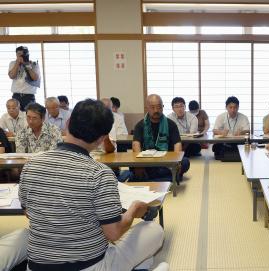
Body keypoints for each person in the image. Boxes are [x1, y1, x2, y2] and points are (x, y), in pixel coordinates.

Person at [19, 99, 166, 271]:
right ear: (102, 139)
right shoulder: (100, 173)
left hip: (37, 266)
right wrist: (134, 209)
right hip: (90, 266)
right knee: (153, 230)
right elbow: (113, 233)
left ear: (67, 124)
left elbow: (28, 212)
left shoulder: (31, 164)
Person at [132, 94, 189, 183]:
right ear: (147, 108)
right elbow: (136, 145)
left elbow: (177, 144)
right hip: (147, 161)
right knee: (133, 165)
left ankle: (152, 179)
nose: (156, 110)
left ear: (162, 107)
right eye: (152, 107)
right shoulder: (140, 125)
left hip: (167, 161)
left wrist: (177, 162)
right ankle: (170, 178)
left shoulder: (171, 124)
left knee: (185, 161)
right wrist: (139, 165)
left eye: (159, 107)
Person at [212, 96, 250, 160]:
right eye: (230, 107)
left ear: (238, 107)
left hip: (238, 142)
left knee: (247, 146)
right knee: (216, 146)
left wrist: (242, 132)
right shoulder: (220, 117)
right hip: (225, 142)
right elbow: (214, 130)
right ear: (226, 107)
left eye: (235, 107)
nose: (233, 110)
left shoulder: (244, 117)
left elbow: (248, 131)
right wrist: (221, 132)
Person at [8, 46, 41, 111]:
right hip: (16, 95)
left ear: (27, 54)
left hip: (29, 96)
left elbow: (35, 78)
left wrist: (26, 64)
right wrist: (17, 63)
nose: (20, 56)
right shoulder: (13, 63)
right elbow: (12, 76)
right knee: (16, 116)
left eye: (22, 54)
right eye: (18, 54)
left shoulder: (34, 64)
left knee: (29, 116)